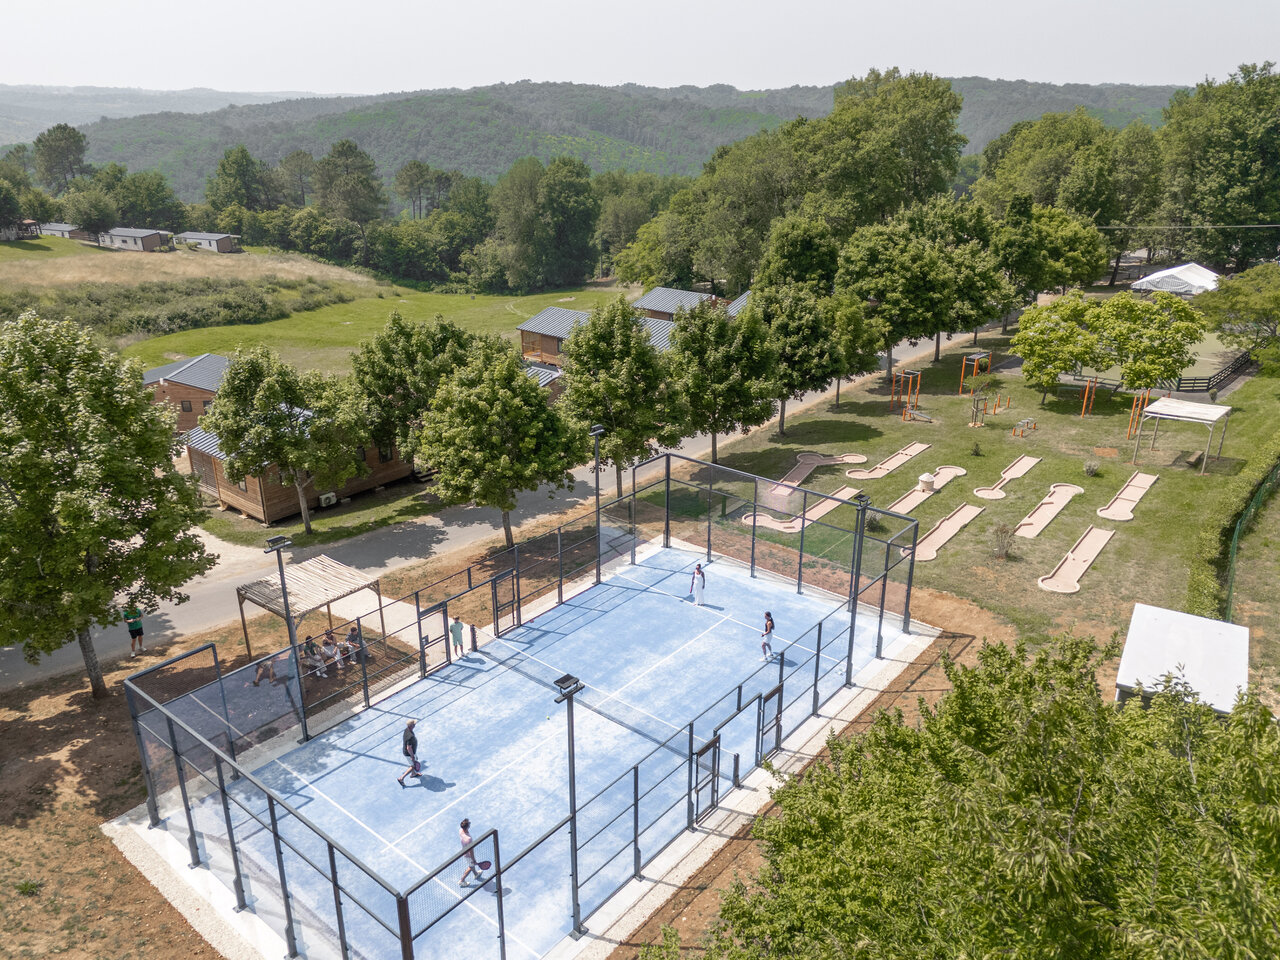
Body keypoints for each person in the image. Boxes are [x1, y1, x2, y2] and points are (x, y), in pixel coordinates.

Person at [459, 818, 482, 886]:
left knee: (472, 865)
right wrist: (474, 860)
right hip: (468, 855)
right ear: (468, 827)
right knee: (471, 866)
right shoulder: (469, 839)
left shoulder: (460, 830)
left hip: (464, 851)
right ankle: (462, 881)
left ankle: (476, 874)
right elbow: (471, 852)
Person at [397, 719, 419, 787]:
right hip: (409, 754)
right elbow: (408, 748)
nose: (415, 725)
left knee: (413, 763)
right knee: (413, 766)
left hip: (409, 753)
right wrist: (412, 756)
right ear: (411, 725)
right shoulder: (410, 736)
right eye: (414, 724)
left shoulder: (406, 730)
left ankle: (413, 774)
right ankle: (401, 778)